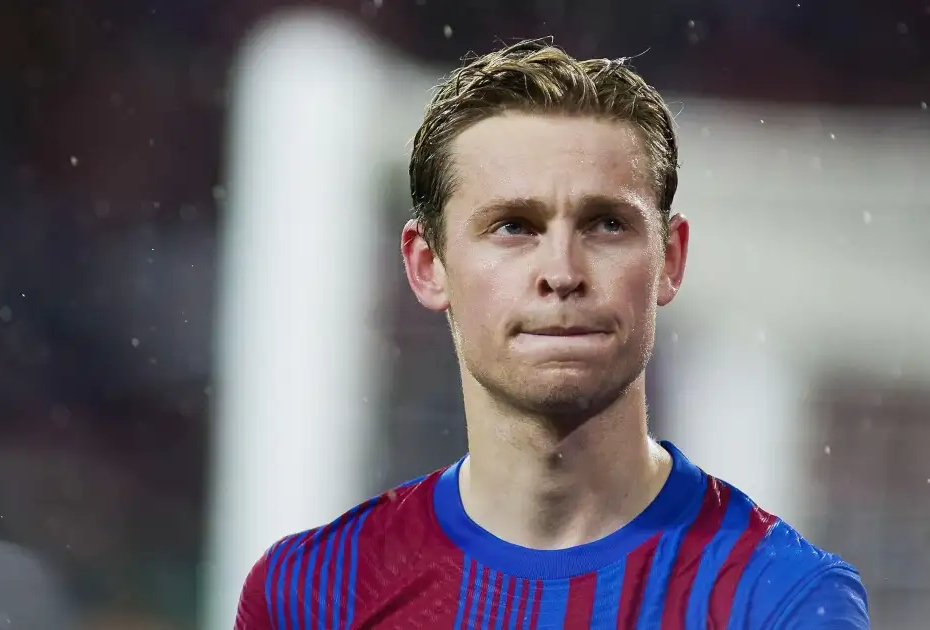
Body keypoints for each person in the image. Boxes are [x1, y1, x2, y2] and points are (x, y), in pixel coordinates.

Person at [233, 39, 869, 629]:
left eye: (606, 224)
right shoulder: (309, 595)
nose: (562, 273)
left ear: (670, 260)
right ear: (428, 266)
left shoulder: (780, 599)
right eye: (514, 226)